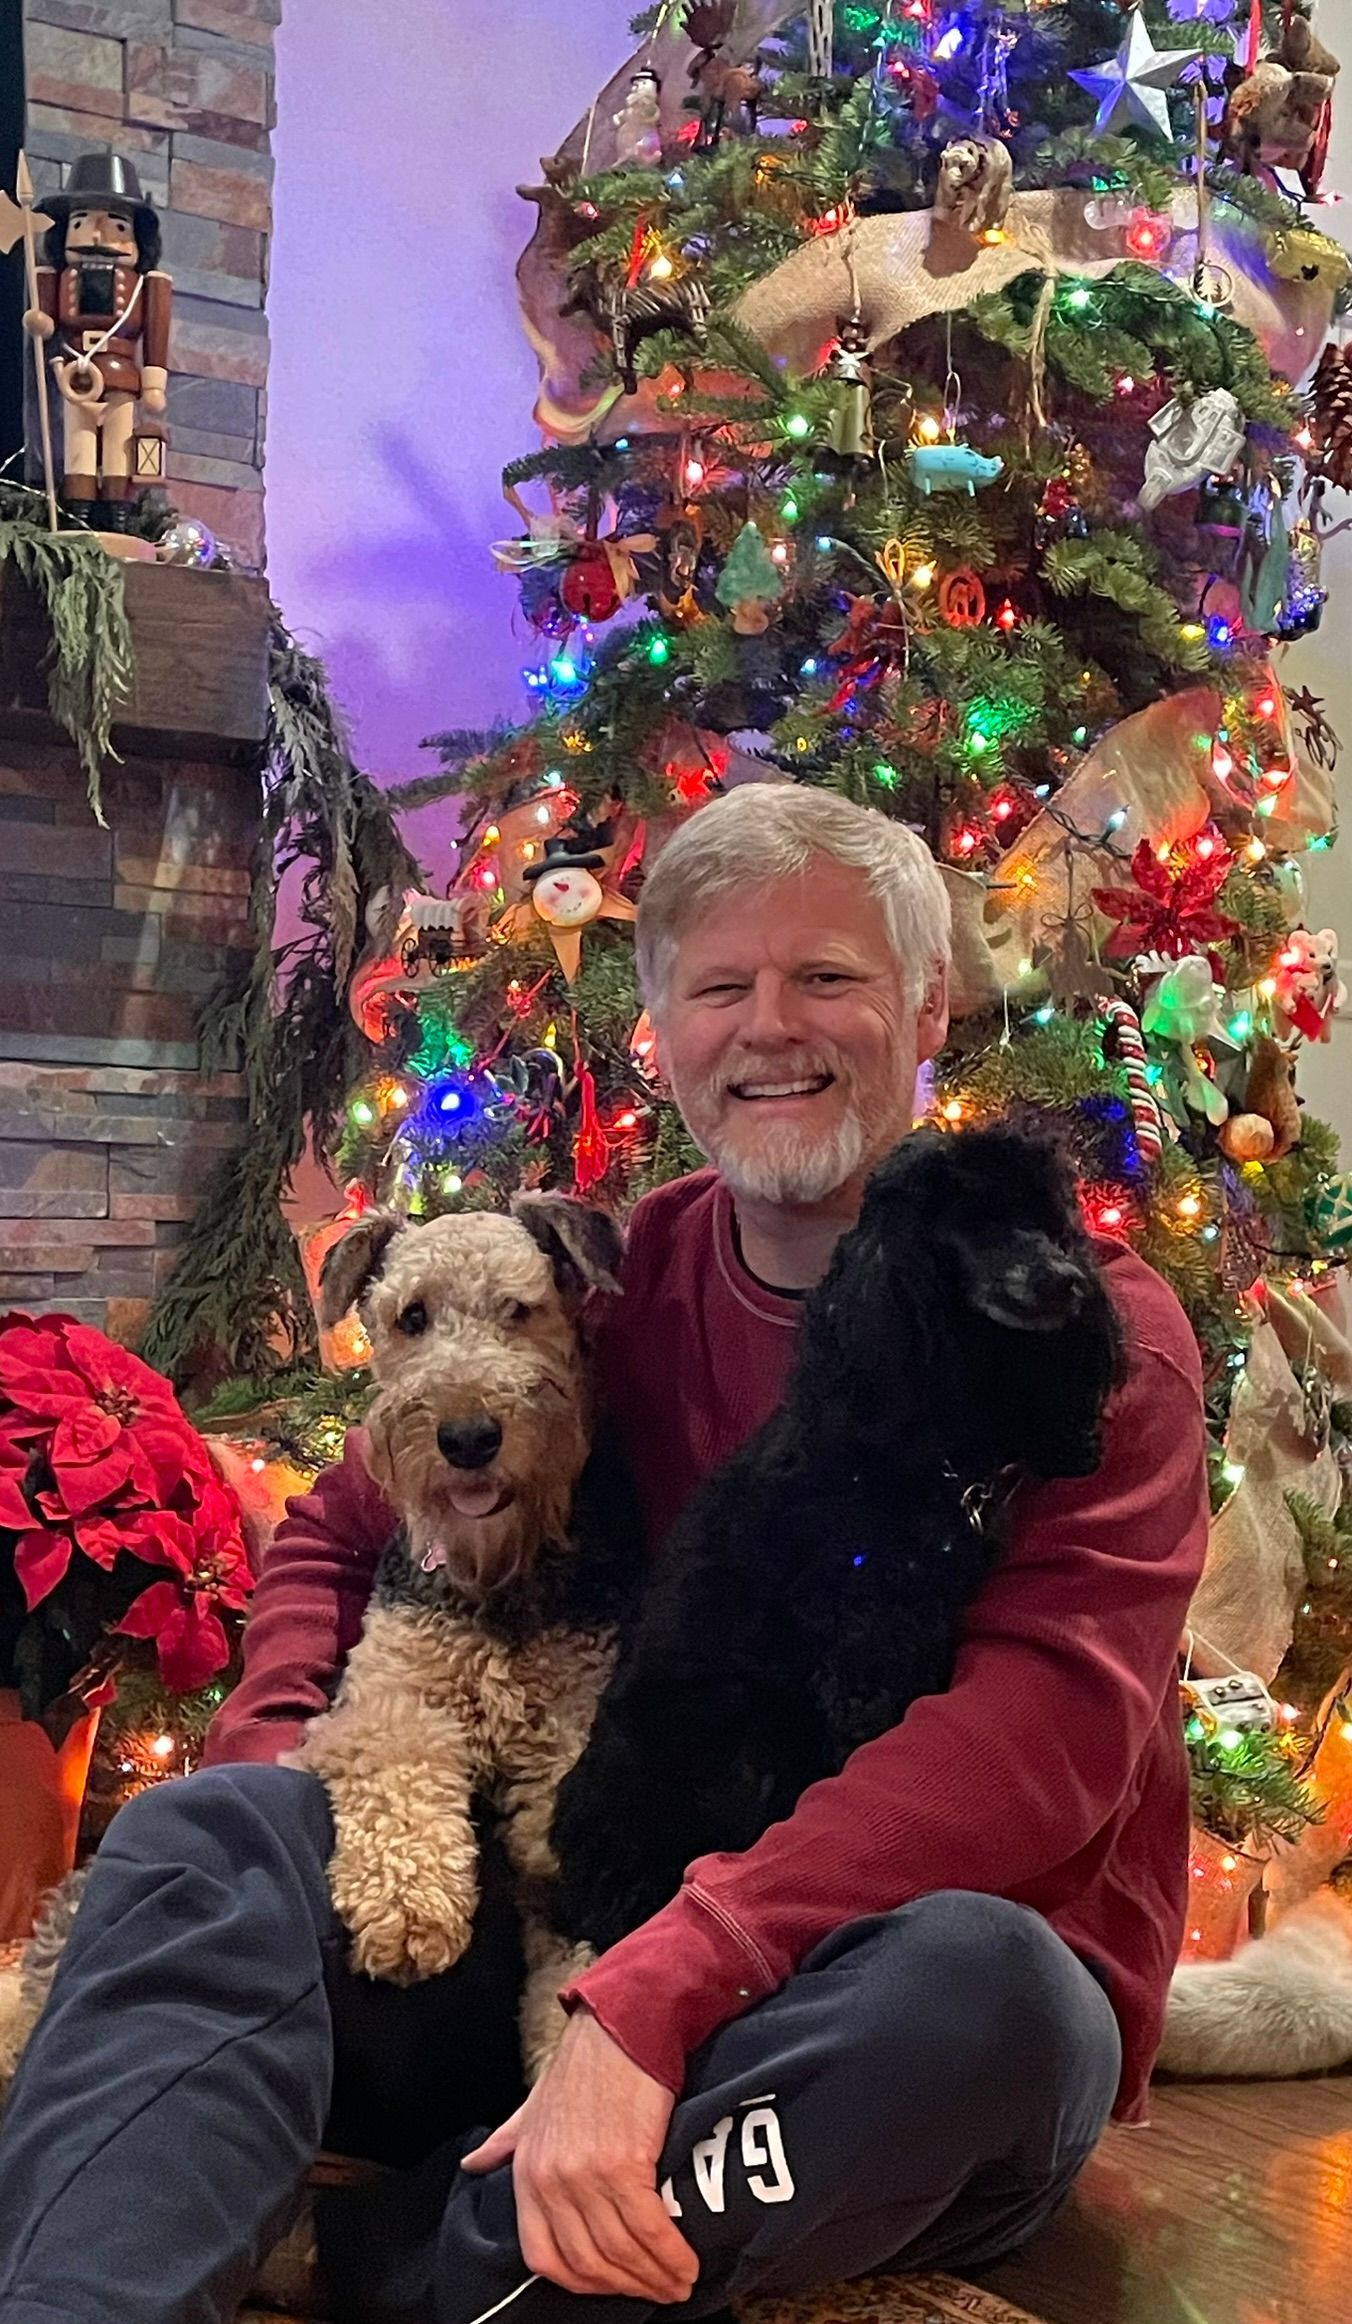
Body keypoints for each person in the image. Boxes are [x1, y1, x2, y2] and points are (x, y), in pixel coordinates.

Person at [0, 787, 1209, 2324]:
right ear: (664, 1037)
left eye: (827, 977)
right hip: (582, 1933)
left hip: (853, 2008)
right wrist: (294, 1752)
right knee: (209, 1837)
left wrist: (659, 1995)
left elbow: (1040, 1749)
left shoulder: (1079, 1331)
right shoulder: (604, 1289)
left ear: (927, 1004)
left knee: (993, 1997)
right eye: (721, 987)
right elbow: (334, 1533)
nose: (772, 1027)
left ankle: (424, 2259)